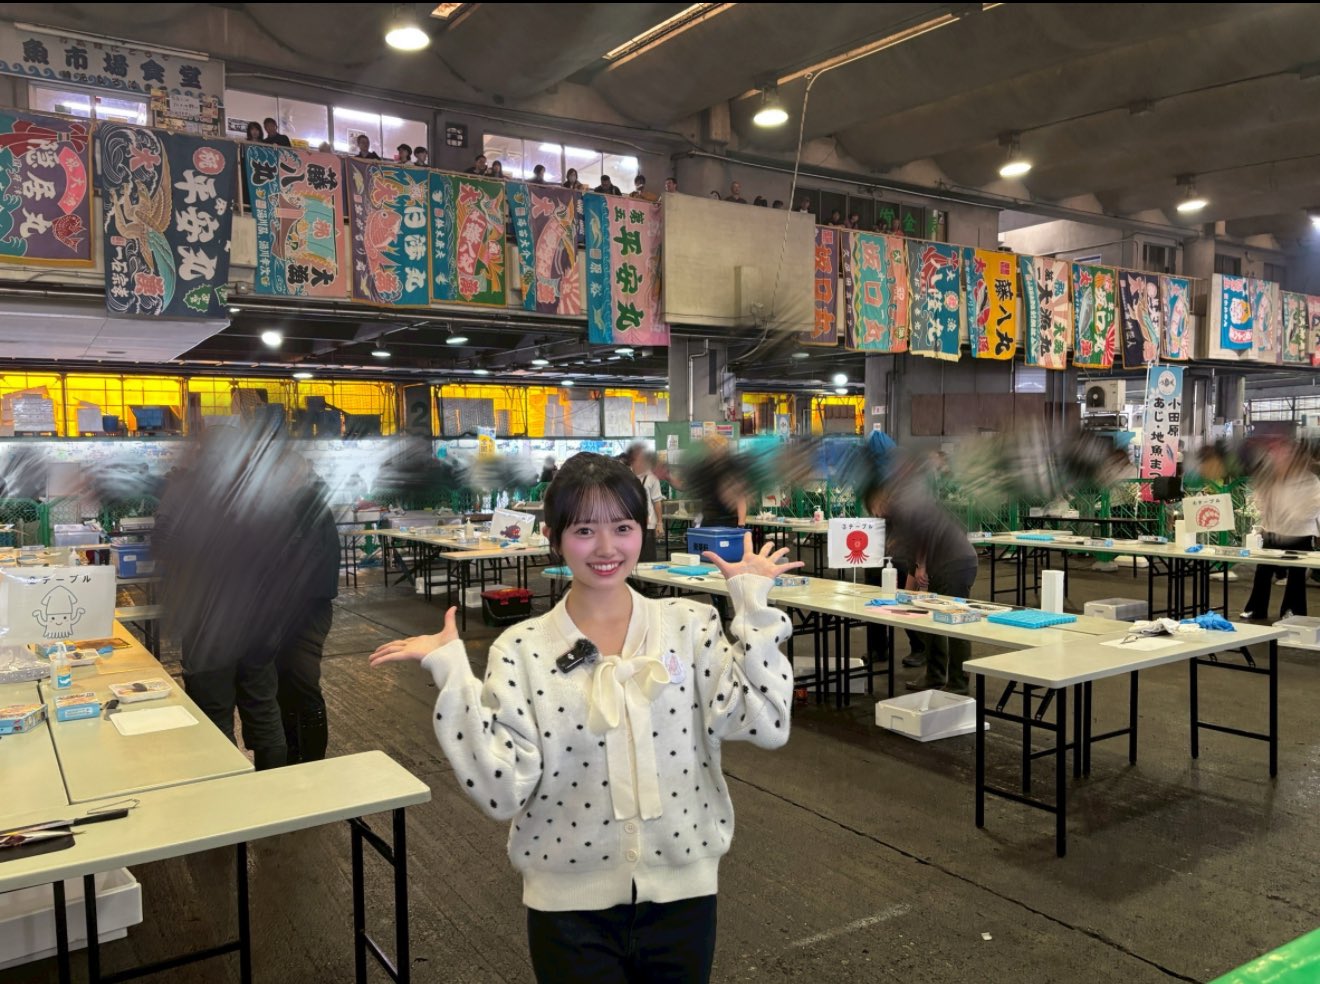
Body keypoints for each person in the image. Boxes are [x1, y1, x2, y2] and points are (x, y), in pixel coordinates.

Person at [369, 453, 800, 984]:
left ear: (642, 530)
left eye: (622, 527)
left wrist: (753, 609)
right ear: (553, 537)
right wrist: (454, 676)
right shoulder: (522, 649)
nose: (606, 548)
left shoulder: (690, 627)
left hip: (685, 901)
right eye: (584, 530)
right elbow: (501, 790)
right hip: (567, 915)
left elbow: (767, 722)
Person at [863, 466, 978, 694]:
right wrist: (908, 594)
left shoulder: (905, 507)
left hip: (955, 562)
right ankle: (935, 675)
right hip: (942, 564)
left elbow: (922, 538)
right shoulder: (897, 515)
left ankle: (959, 682)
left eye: (874, 506)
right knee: (933, 620)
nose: (875, 513)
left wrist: (921, 566)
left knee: (956, 621)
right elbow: (912, 554)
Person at [275, 455, 341, 764]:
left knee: (302, 685)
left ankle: (313, 762)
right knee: (287, 685)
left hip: (305, 609)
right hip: (301, 607)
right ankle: (294, 755)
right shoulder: (306, 502)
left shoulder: (304, 505)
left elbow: (297, 558)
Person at [1241, 446, 1320, 619]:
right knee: (1263, 570)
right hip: (1273, 531)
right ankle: (1256, 608)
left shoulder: (1311, 481)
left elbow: (1315, 506)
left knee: (1296, 574)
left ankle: (1293, 611)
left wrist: (1293, 515)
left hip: (1300, 533)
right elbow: (1261, 499)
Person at [628, 444, 664, 562]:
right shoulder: (626, 476)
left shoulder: (652, 478)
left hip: (648, 526)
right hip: (629, 525)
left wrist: (659, 523)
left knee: (647, 559)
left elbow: (657, 501)